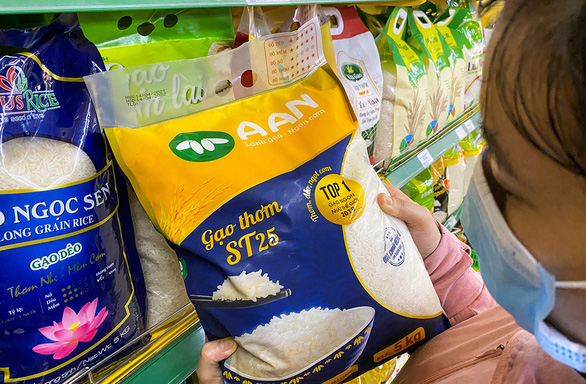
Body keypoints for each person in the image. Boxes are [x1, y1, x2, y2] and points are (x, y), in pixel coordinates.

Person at [195, 0, 586, 382]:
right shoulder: (547, 327)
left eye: (505, 173)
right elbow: (493, 330)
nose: (481, 183)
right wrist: (438, 260)